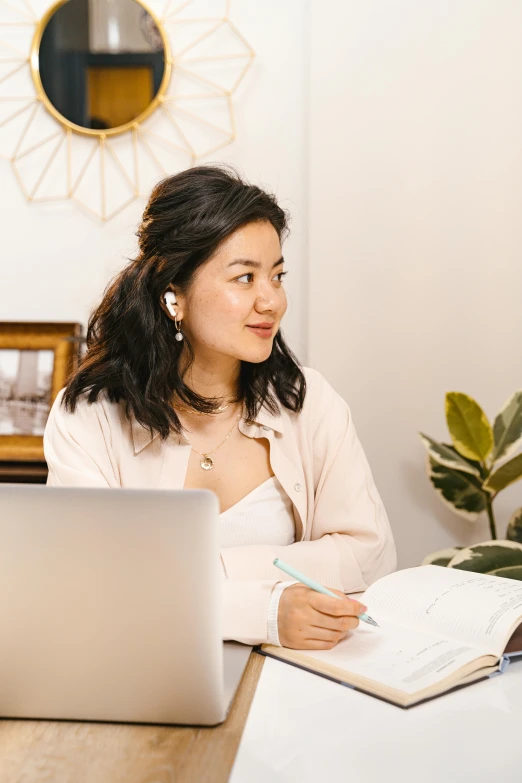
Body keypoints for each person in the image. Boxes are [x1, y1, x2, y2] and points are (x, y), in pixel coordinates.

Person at [44, 165, 396, 649]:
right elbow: (87, 583)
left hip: (300, 676)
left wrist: (208, 573)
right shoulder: (90, 415)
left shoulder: (308, 402)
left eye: (277, 276)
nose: (271, 300)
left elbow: (368, 556)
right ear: (174, 295)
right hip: (142, 670)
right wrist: (263, 611)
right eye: (245, 277)